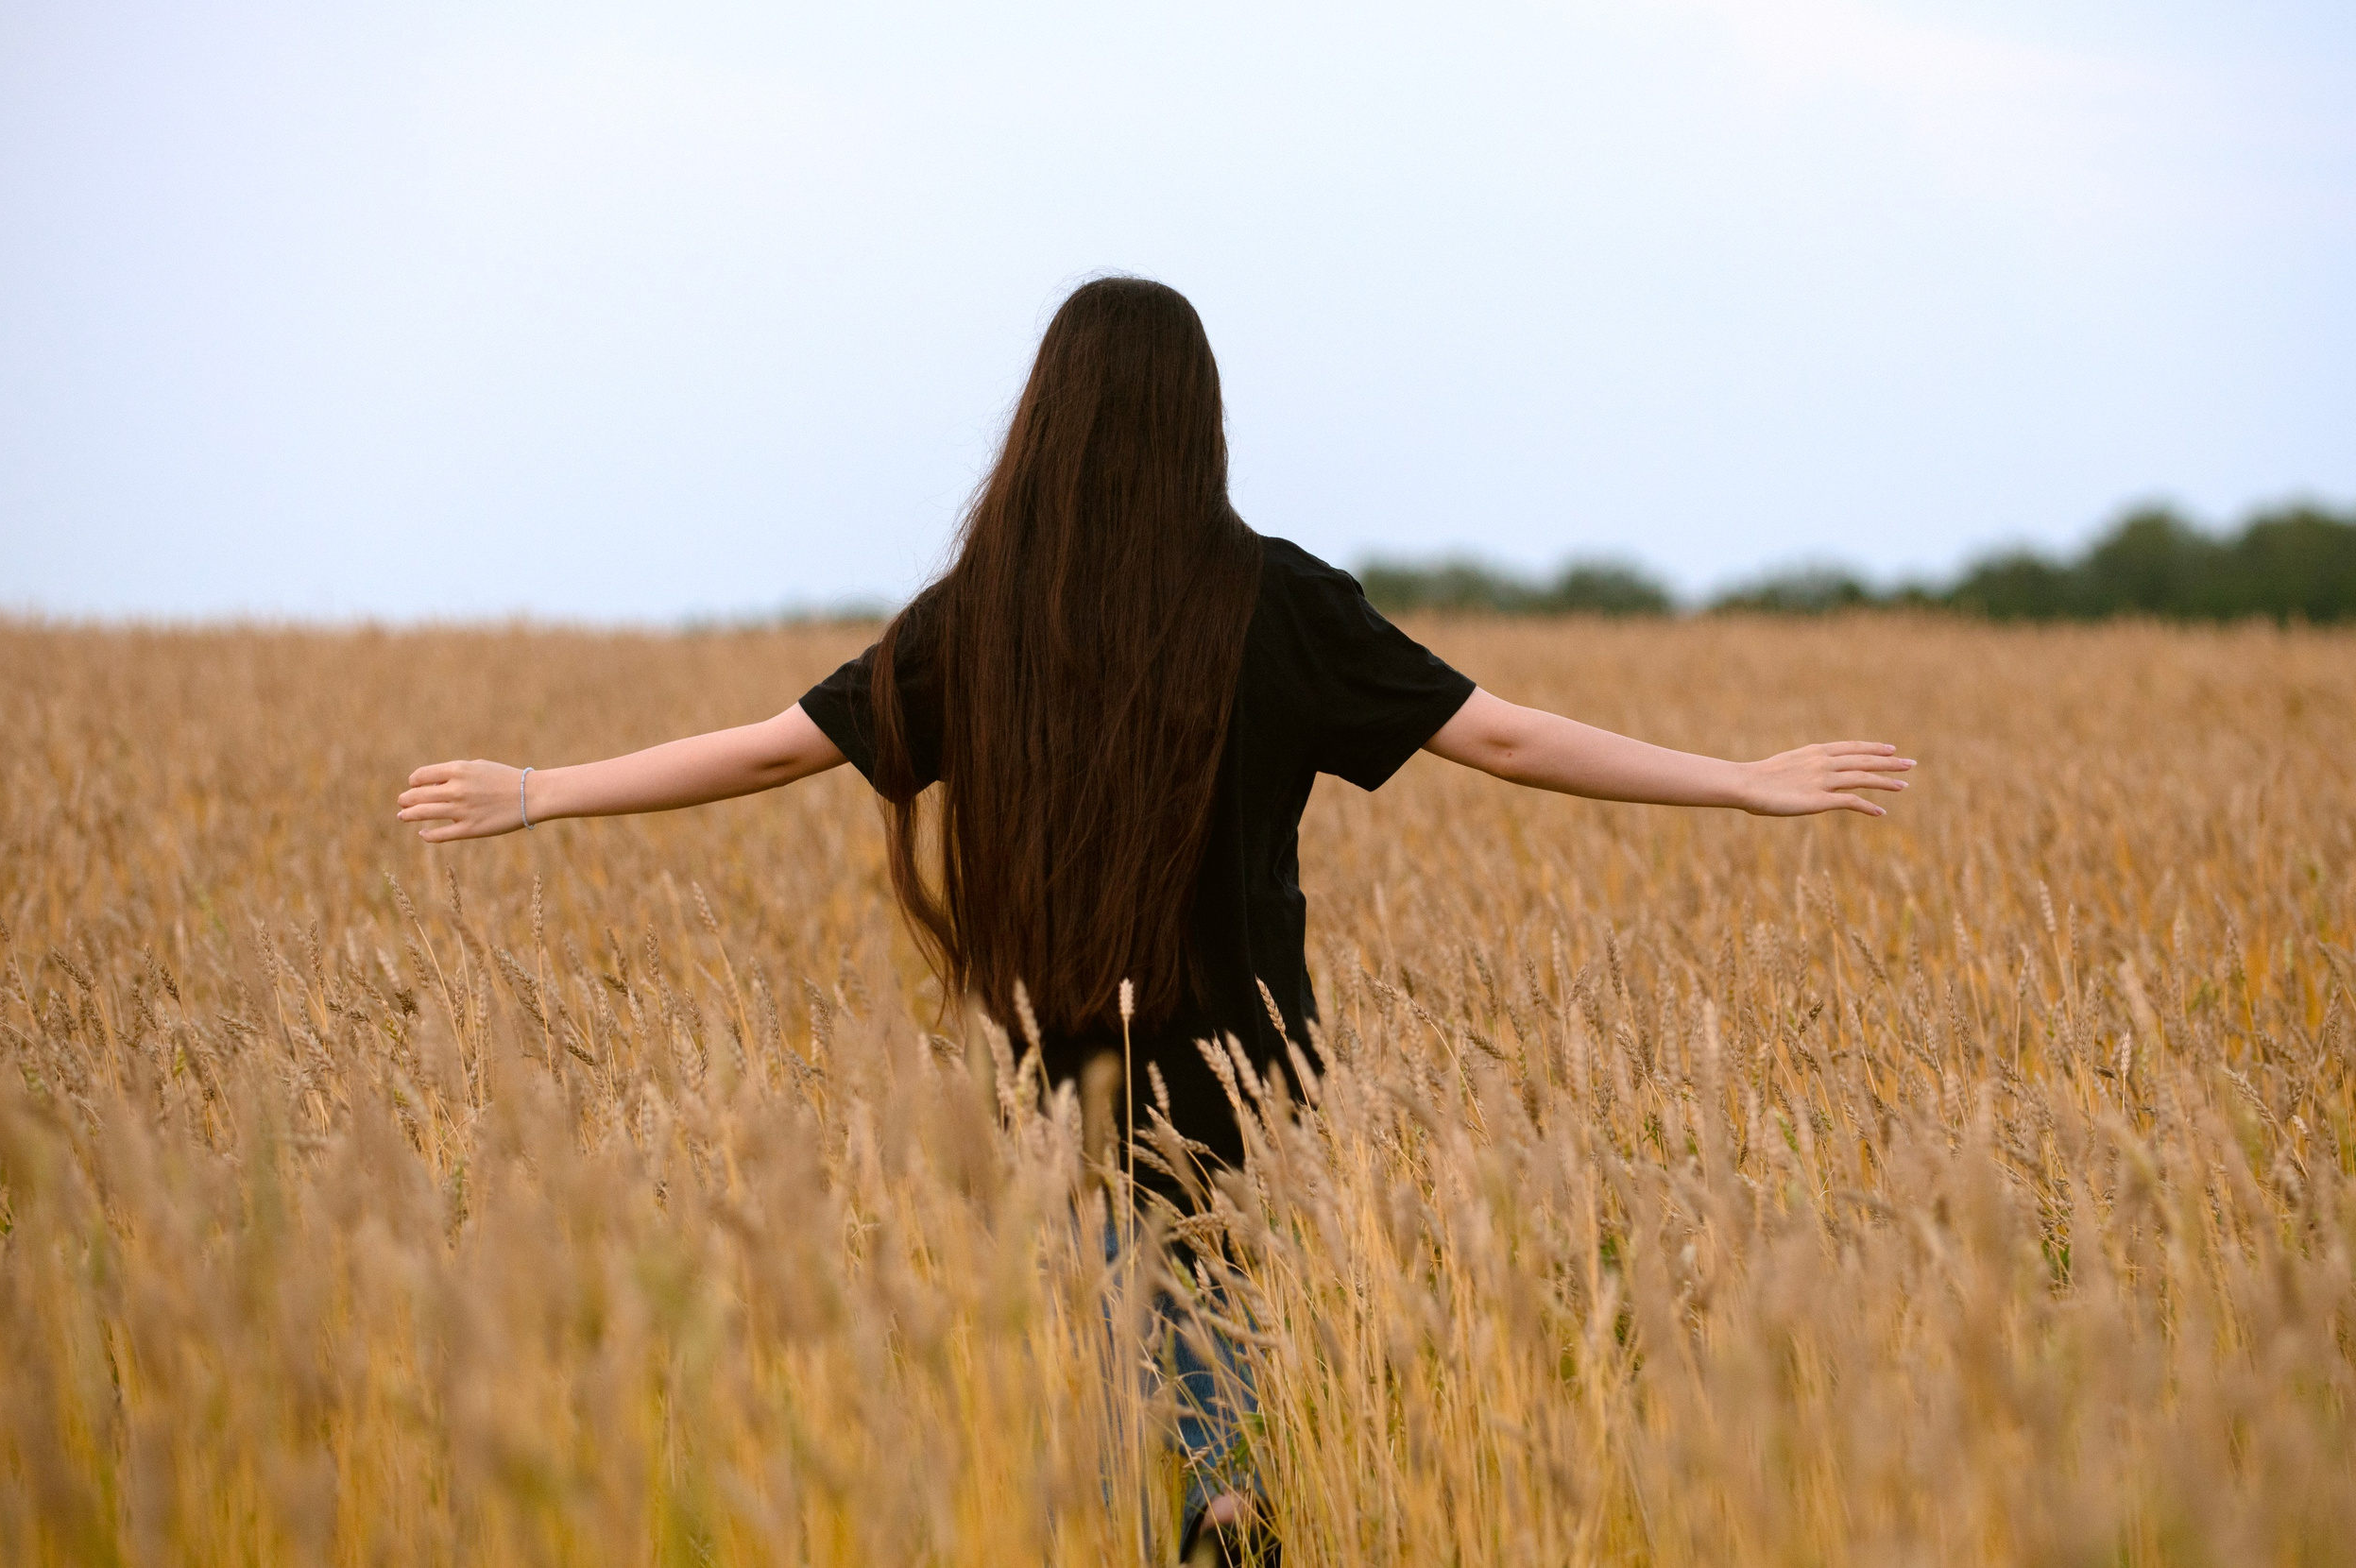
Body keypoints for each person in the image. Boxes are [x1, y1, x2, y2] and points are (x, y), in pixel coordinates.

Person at [397, 276, 1915, 1562]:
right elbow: (1499, 735)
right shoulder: (1281, 601)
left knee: (1109, 1318)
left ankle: (1186, 1500)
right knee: (1212, 1306)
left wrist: (544, 789)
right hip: (1252, 1051)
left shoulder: (982, 610)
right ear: (1203, 418)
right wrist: (1739, 781)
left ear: (1044, 418)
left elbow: (776, 745)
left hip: (1058, 1046)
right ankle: (1229, 1501)